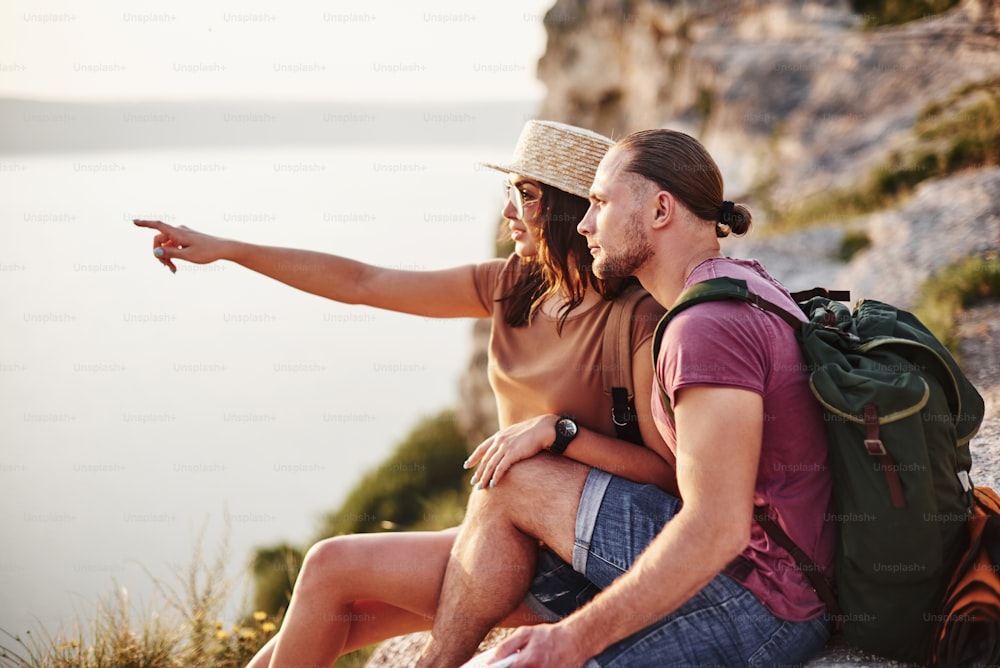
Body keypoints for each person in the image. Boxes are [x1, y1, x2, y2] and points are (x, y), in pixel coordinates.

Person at [134, 120, 677, 668]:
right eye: (508, 191)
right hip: (501, 539)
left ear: (572, 210)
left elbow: (667, 477)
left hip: (572, 556)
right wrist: (227, 248)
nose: (508, 210)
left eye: (526, 195)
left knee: (329, 566)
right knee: (324, 618)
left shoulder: (635, 319)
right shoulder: (511, 286)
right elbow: (362, 282)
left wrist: (558, 436)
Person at [416, 128, 835, 668]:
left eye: (600, 203)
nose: (586, 224)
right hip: (759, 563)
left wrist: (572, 638)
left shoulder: (706, 327)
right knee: (515, 476)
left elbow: (717, 528)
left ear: (661, 210)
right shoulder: (734, 283)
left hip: (764, 599)